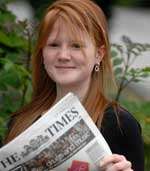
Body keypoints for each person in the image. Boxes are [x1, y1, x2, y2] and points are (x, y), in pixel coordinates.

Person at [4, 0, 144, 170]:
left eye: (76, 46)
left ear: (99, 54)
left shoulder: (121, 125)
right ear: (42, 53)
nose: (63, 55)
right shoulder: (19, 123)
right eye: (54, 45)